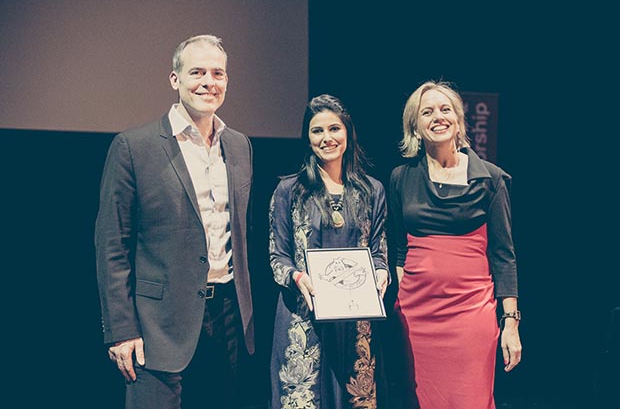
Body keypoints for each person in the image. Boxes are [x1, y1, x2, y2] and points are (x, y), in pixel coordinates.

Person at [95, 34, 255, 409]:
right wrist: (121, 330)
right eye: (197, 72)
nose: (208, 82)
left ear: (227, 81)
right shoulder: (134, 147)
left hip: (228, 316)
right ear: (175, 79)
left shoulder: (240, 146)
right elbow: (111, 245)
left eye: (217, 73)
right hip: (157, 326)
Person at [389, 80, 522, 408]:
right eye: (427, 112)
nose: (438, 116)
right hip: (416, 318)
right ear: (415, 126)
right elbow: (398, 249)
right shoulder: (400, 178)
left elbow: (504, 256)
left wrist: (511, 323)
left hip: (470, 314)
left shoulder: (490, 180)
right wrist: (407, 292)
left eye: (445, 109)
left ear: (460, 121)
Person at [268, 94, 390, 409]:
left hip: (354, 320)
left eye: (334, 129)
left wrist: (380, 272)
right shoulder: (290, 190)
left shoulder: (371, 190)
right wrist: (296, 277)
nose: (327, 138)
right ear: (307, 138)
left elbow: (378, 249)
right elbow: (277, 256)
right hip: (302, 318)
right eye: (317, 131)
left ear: (348, 133)